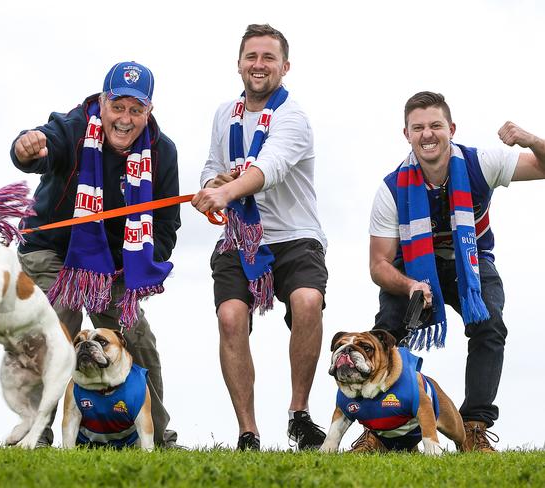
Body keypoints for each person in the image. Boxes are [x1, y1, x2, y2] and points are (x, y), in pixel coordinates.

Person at [10, 61, 180, 448]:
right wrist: (26, 147)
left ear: (148, 111)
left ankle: (155, 431)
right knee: (59, 322)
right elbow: (38, 150)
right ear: (102, 102)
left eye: (136, 110)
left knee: (137, 336)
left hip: (116, 266)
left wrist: (141, 267)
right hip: (50, 251)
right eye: (117, 106)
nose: (125, 118)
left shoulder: (162, 151)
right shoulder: (71, 128)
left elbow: (167, 221)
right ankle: (38, 430)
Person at [367, 91, 545, 452]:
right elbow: (379, 264)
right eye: (418, 128)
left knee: (490, 325)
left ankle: (474, 427)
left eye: (435, 125)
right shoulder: (390, 189)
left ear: (451, 128)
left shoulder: (481, 163)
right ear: (406, 135)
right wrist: (411, 284)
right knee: (385, 334)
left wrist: (530, 140)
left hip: (472, 261)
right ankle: (379, 429)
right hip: (416, 271)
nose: (427, 134)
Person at [191, 24, 328, 451]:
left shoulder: (293, 116)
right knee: (230, 317)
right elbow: (212, 167)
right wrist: (213, 183)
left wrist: (227, 191)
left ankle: (299, 415)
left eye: (269, 58)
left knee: (307, 301)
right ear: (238, 64)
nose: (259, 65)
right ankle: (247, 432)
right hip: (240, 234)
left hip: (294, 235)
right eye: (252, 56)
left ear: (285, 67)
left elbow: (271, 167)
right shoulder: (223, 114)